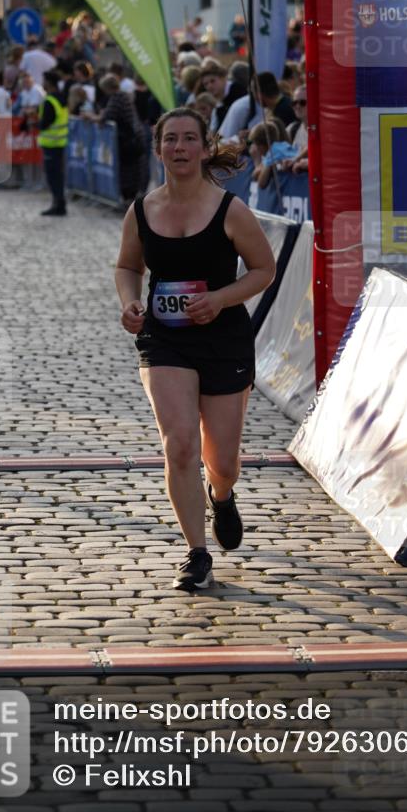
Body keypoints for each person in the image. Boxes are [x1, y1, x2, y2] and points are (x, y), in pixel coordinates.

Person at [114, 107, 276, 590]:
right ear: (158, 149)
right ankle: (196, 553)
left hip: (224, 340)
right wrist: (129, 303)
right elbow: (127, 267)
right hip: (165, 339)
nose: (179, 147)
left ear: (205, 149)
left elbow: (264, 270)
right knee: (180, 443)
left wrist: (220, 299)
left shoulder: (231, 210)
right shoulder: (142, 210)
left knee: (222, 461)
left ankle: (221, 495)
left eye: (189, 139)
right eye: (170, 139)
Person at [88, 73, 144, 202]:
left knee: (127, 170)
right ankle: (131, 196)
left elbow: (105, 117)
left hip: (128, 141)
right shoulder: (124, 95)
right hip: (134, 137)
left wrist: (90, 117)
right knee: (133, 169)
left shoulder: (117, 97)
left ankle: (128, 197)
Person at [37, 69, 69, 216]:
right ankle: (59, 203)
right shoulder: (61, 98)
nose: (42, 84)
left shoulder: (50, 101)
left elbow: (46, 123)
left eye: (44, 81)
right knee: (58, 175)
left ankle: (58, 204)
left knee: (53, 176)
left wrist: (35, 123)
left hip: (51, 143)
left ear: (49, 83)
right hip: (60, 142)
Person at [199, 59, 246, 134]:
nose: (209, 86)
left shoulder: (239, 92)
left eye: (212, 81)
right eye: (206, 84)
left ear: (223, 78)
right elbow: (219, 131)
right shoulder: (218, 106)